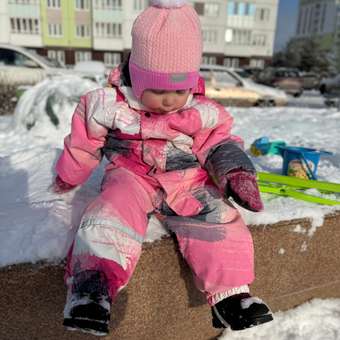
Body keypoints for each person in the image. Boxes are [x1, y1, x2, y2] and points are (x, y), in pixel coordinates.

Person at [53, 0, 273, 336]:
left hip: (186, 180)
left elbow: (219, 144)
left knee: (219, 220)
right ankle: (91, 291)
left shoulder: (202, 112)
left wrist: (235, 173)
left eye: (179, 89)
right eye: (157, 90)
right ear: (138, 78)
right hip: (131, 176)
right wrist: (69, 176)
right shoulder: (108, 105)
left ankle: (231, 296)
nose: (169, 100)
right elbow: (84, 143)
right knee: (109, 215)